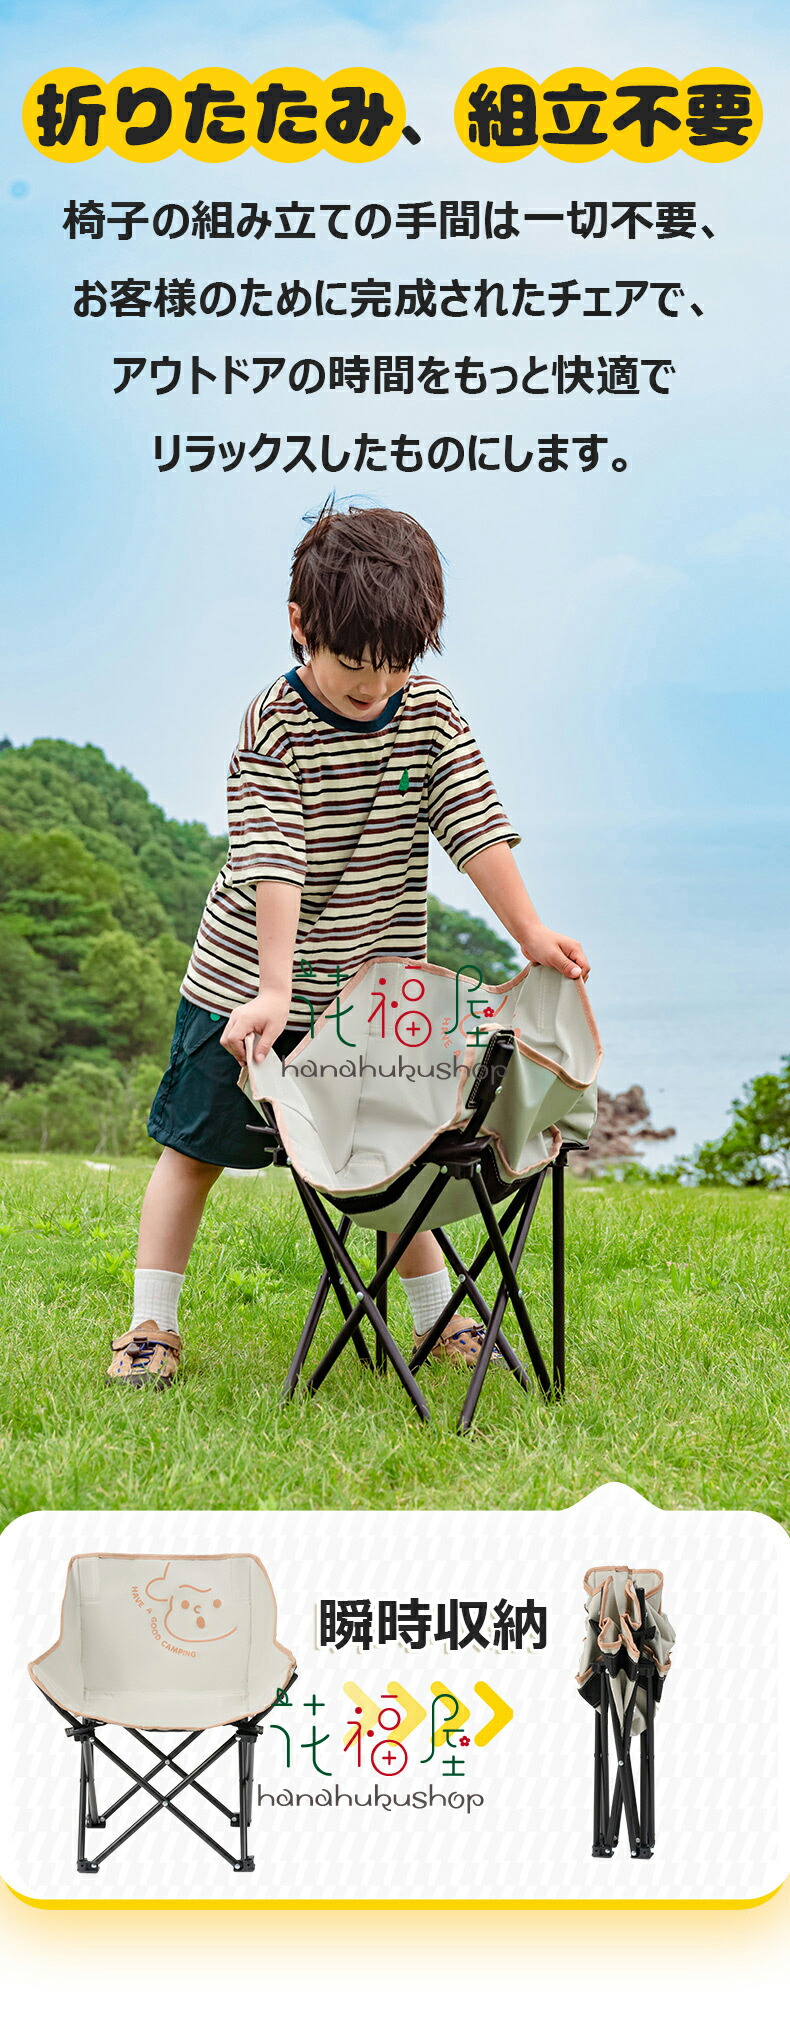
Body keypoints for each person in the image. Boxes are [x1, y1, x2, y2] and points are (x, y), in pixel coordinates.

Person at [108, 502, 590, 1387]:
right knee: (194, 1153)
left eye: (397, 666)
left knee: (391, 1153)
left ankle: (436, 1314)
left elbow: (474, 822)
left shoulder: (429, 714)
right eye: (356, 668)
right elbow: (274, 859)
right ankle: (150, 1325)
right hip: (245, 984)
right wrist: (273, 989)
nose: (377, 689)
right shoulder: (272, 725)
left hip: (372, 999)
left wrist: (530, 931)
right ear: (301, 625)